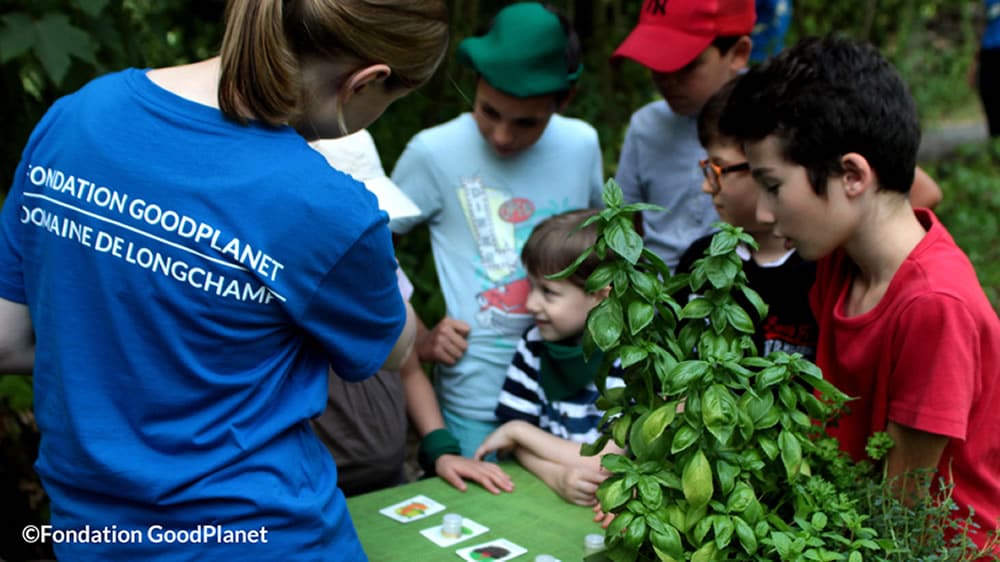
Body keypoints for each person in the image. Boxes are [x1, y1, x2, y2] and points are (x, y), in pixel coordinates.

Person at [0, 0, 449, 559]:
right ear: (367, 81)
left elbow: (9, 340)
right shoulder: (324, 205)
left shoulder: (76, 117)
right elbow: (394, 347)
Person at [718, 35, 1000, 550]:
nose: (762, 212)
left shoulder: (935, 306)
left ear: (851, 175)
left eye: (774, 186)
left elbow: (898, 512)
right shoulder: (838, 260)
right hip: (838, 521)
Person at [390, 2, 605, 457]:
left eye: (526, 121)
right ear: (475, 84)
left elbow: (598, 255)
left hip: (572, 398)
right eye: (489, 112)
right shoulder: (433, 152)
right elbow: (366, 252)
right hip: (476, 396)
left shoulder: (581, 144)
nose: (503, 136)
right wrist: (417, 335)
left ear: (563, 100)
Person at [309, 131, 513, 496]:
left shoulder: (381, 266)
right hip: (318, 487)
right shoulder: (283, 276)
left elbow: (409, 367)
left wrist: (440, 452)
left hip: (390, 479)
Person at [474, 210, 625, 507]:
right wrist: (556, 475)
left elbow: (606, 462)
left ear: (600, 296)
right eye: (531, 286)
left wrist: (518, 430)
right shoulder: (533, 345)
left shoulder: (629, 358)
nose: (530, 304)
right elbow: (513, 447)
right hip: (543, 495)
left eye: (549, 292)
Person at [676, 77, 817, 360]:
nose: (707, 185)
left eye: (720, 168)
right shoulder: (700, 261)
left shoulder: (819, 272)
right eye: (708, 168)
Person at [611, 0, 756, 272]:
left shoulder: (771, 122)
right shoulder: (646, 126)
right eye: (656, 61)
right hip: (657, 296)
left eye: (687, 65)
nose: (667, 79)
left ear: (738, 53)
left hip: (742, 291)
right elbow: (623, 219)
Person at [974, 0, 1000, 136]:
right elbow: (981, 27)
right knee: (988, 93)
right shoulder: (987, 2)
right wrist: (974, 65)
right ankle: (994, 139)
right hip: (988, 51)